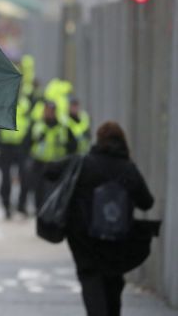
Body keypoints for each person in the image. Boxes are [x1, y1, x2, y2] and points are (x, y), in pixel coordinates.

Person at [45, 122, 155, 316]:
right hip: (117, 242)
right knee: (113, 284)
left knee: (91, 282)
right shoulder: (128, 169)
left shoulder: (84, 164)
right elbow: (146, 202)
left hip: (85, 242)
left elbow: (50, 171)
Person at [25, 102, 77, 211]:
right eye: (47, 111)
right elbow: (26, 144)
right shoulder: (37, 126)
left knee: (55, 191)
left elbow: (73, 146)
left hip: (57, 165)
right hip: (40, 164)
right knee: (39, 191)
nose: (49, 113)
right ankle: (39, 211)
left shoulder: (63, 128)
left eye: (51, 111)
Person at [0, 96, 31, 218]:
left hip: (21, 147)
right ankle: (6, 206)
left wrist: (27, 143)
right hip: (5, 147)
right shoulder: (2, 105)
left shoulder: (26, 105)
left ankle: (21, 205)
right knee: (6, 179)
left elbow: (30, 125)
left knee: (25, 177)